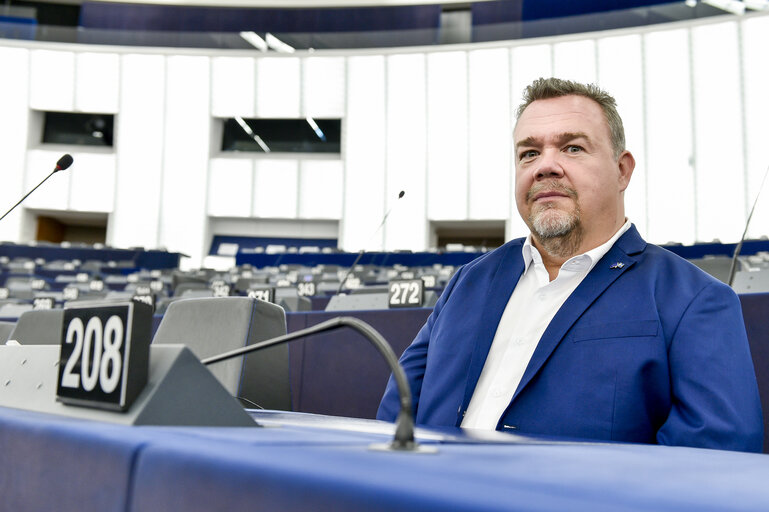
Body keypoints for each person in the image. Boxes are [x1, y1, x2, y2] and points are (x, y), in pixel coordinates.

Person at [377, 77, 763, 452]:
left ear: (622, 170)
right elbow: (397, 412)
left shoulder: (694, 300)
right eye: (529, 153)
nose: (545, 166)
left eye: (573, 148)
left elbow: (714, 457)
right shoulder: (468, 282)